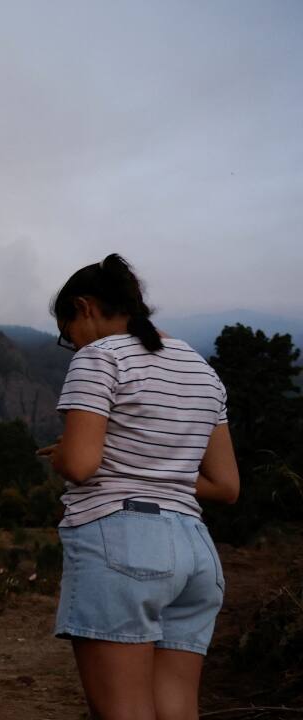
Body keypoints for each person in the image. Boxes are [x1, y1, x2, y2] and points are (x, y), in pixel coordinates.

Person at [38, 254, 240, 720]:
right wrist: (147, 466)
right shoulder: (201, 369)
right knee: (176, 711)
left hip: (123, 547)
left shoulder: (98, 358)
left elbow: (81, 466)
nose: (73, 344)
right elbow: (225, 485)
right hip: (195, 555)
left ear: (84, 307)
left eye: (68, 332)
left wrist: (65, 453)